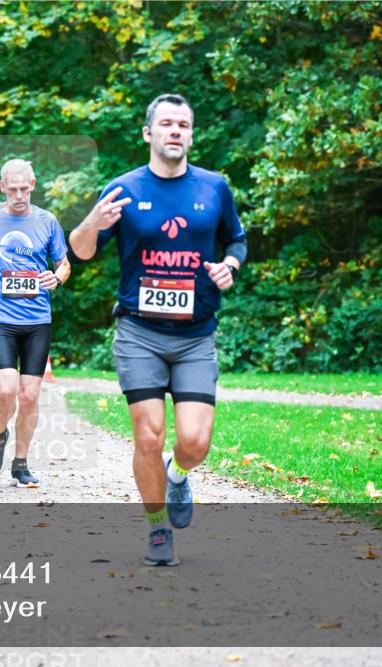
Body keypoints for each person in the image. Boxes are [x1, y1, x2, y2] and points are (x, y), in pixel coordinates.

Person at [69, 93, 247, 565]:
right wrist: (93, 219)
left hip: (195, 335)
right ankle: (156, 529)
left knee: (195, 442)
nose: (175, 131)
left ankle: (179, 474)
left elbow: (237, 239)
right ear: (148, 132)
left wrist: (229, 264)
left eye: (183, 125)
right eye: (166, 123)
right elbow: (81, 251)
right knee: (147, 436)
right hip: (139, 333)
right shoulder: (123, 188)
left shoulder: (214, 188)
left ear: (190, 134)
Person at [0, 159, 71, 488]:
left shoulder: (47, 222)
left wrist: (58, 277)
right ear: (2, 187)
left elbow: (63, 263)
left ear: (34, 184)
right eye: (13, 189)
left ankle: (20, 464)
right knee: (6, 389)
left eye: (25, 188)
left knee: (30, 395)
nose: (20, 195)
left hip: (38, 320)